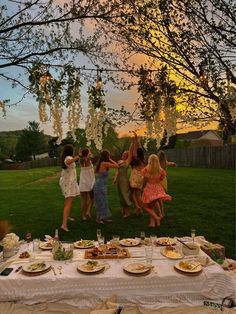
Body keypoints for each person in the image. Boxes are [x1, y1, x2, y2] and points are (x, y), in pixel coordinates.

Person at [142, 154, 172, 228]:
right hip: (158, 189)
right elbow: (161, 179)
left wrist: (142, 187)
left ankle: (157, 217)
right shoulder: (161, 171)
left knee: (145, 206)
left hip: (149, 189)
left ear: (149, 161)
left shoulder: (146, 170)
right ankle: (153, 223)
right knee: (151, 206)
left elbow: (144, 181)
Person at [93, 150, 119, 224]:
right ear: (107, 156)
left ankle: (103, 218)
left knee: (104, 202)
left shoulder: (101, 163)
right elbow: (117, 166)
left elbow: (95, 172)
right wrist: (110, 159)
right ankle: (98, 219)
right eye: (109, 155)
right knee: (101, 202)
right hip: (100, 185)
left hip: (100, 184)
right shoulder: (105, 163)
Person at [60, 144, 80, 232]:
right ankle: (64, 225)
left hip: (68, 182)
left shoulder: (66, 157)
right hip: (68, 183)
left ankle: (67, 217)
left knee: (67, 201)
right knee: (68, 203)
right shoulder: (68, 157)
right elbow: (68, 162)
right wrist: (78, 156)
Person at [129, 134, 146, 215]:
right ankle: (140, 209)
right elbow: (140, 149)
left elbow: (135, 149)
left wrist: (134, 141)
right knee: (138, 194)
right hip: (141, 177)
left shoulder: (135, 158)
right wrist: (137, 140)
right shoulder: (142, 160)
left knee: (133, 193)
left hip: (135, 176)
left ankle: (138, 207)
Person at [78, 148, 95, 221]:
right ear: (87, 154)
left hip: (83, 182)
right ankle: (88, 211)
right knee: (92, 198)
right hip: (90, 182)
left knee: (84, 200)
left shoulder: (81, 160)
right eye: (89, 152)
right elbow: (86, 159)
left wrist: (81, 154)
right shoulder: (87, 160)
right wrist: (87, 155)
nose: (90, 153)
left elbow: (83, 160)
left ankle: (83, 216)